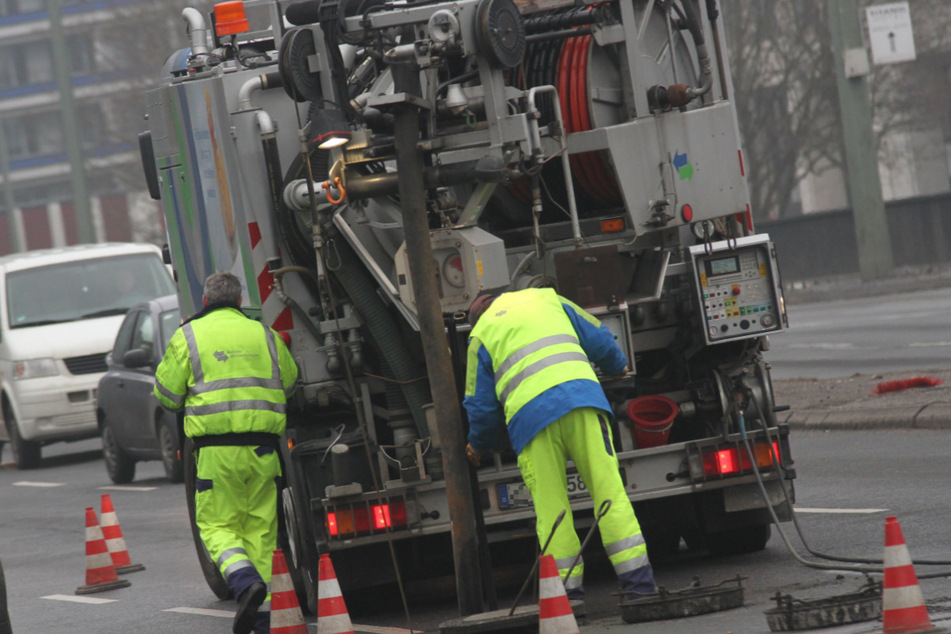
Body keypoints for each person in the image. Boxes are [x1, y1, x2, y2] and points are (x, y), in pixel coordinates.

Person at [463, 287, 656, 601]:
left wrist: (478, 445)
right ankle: (639, 586)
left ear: (477, 317)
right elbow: (599, 337)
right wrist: (615, 367)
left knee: (552, 511)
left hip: (532, 422)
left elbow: (480, 407)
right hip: (583, 403)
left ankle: (569, 598)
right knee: (610, 493)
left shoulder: (481, 335)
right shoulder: (548, 298)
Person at [154, 272, 298, 634]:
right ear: (238, 302)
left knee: (216, 525)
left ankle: (243, 580)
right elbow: (291, 380)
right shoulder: (263, 334)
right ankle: (262, 620)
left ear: (205, 301)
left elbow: (167, 396)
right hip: (264, 451)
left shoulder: (188, 336)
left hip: (217, 454)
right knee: (261, 530)